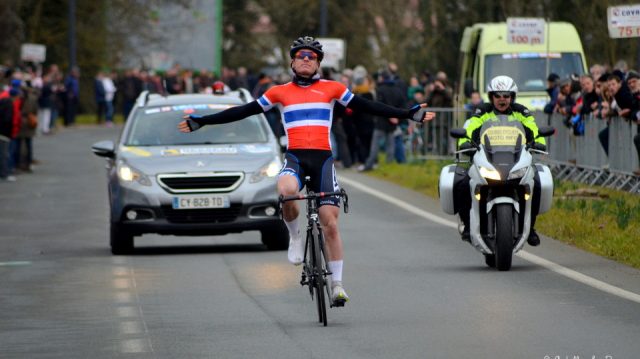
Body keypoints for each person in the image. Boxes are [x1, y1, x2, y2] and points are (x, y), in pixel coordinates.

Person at [178, 36, 435, 305]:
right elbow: (244, 111)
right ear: (292, 61)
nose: (305, 59)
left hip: (323, 160)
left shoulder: (333, 89)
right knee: (287, 191)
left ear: (318, 63)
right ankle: (295, 236)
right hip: (296, 158)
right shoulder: (279, 92)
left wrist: (407, 114)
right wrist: (203, 122)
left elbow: (367, 106)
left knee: (330, 224)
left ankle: (336, 284)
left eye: (311, 56)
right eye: (300, 55)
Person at [456, 75, 545, 246]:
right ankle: (467, 225)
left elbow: (533, 128)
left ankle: (531, 227)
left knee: (537, 183)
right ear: (491, 97)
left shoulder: (521, 112)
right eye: (497, 95)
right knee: (463, 183)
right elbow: (470, 127)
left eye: (506, 95)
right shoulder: (482, 111)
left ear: (512, 97)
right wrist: (464, 142)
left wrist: (539, 142)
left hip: (516, 158)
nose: (502, 99)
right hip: (488, 158)